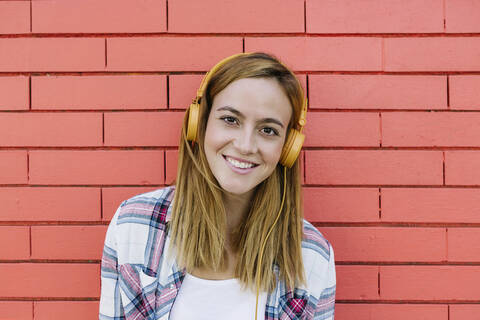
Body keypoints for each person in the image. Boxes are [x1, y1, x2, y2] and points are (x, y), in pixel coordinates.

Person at [99, 52, 336, 320]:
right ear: (198, 124)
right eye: (230, 120)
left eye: (268, 130)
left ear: (288, 149)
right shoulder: (134, 226)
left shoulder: (312, 256)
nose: (245, 146)